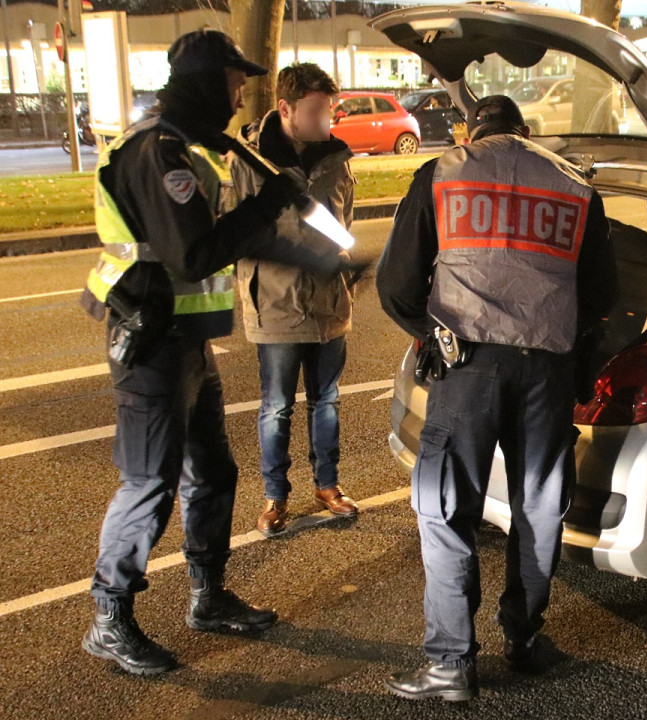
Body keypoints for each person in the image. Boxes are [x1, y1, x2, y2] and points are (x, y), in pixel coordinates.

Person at [79, 30, 347, 676]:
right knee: (149, 483)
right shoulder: (159, 153)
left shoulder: (195, 150)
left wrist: (316, 255)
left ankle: (209, 595)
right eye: (232, 83)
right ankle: (109, 618)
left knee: (215, 474)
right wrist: (268, 207)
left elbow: (225, 241)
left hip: (188, 343)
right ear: (205, 79)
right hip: (151, 344)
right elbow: (196, 252)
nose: (238, 95)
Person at [377, 95, 618, 701]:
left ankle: (451, 665)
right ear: (526, 131)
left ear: (472, 130)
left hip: (469, 367)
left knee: (446, 507)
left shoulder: (443, 172)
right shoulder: (575, 185)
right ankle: (526, 639)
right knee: (538, 508)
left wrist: (430, 332)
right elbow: (604, 292)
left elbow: (397, 284)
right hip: (548, 370)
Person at [230, 63, 358, 537]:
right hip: (278, 305)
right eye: (318, 109)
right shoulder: (247, 159)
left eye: (330, 108)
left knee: (326, 400)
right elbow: (234, 231)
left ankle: (328, 486)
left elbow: (346, 224)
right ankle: (275, 497)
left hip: (328, 304)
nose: (328, 119)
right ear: (286, 109)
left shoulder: (338, 159)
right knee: (276, 406)